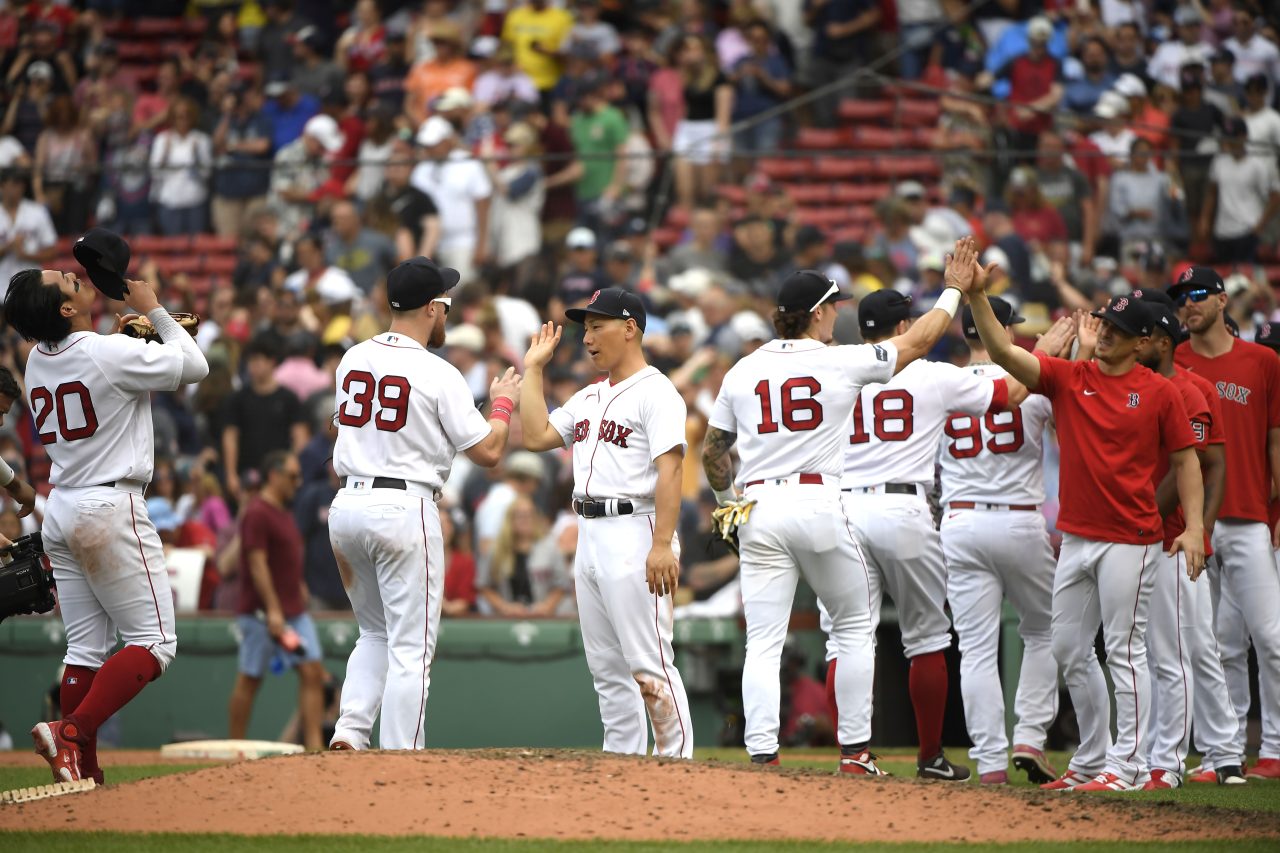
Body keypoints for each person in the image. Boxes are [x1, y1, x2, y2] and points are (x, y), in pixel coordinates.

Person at [699, 238, 981, 772]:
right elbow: (919, 342)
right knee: (853, 627)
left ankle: (762, 752)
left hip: (757, 505)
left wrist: (724, 504)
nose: (837, 316)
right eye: (834, 307)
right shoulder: (840, 362)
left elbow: (714, 449)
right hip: (818, 500)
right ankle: (854, 753)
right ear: (818, 313)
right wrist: (951, 292)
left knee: (763, 640)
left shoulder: (741, 370)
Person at [970, 270, 1205, 791]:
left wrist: (1192, 528)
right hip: (1077, 536)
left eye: (1118, 331)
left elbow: (1187, 462)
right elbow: (1007, 358)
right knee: (1069, 649)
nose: (1105, 334)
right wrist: (976, 296)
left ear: (1143, 342)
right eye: (1104, 326)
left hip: (1131, 538)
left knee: (1124, 651)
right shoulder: (1070, 377)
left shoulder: (1161, 393)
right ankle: (1092, 760)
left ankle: (1129, 765)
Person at [9, 261, 208, 784]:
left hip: (63, 505)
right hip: (109, 507)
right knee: (155, 641)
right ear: (67, 309)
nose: (76, 278)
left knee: (85, 650)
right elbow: (195, 367)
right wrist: (154, 312)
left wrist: (129, 345)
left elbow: (100, 374)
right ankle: (72, 731)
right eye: (67, 284)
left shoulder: (35, 360)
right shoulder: (107, 351)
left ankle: (85, 772)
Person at [837, 288, 1031, 782]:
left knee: (845, 639)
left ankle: (852, 753)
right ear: (905, 328)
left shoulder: (837, 370)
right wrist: (1045, 348)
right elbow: (1009, 393)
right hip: (904, 506)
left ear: (864, 332)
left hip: (844, 509)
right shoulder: (934, 374)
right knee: (925, 637)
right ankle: (929, 757)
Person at [327, 257, 521, 750]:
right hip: (404, 508)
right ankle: (400, 756)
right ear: (433, 308)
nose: (447, 316)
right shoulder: (439, 372)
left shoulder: (352, 357)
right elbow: (490, 451)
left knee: (374, 634)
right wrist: (500, 404)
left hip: (348, 504)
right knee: (411, 649)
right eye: (447, 306)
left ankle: (349, 732)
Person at [520, 289, 693, 758]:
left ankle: (678, 768)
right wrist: (534, 369)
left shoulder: (658, 392)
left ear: (630, 327)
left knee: (649, 664)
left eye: (598, 326)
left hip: (636, 527)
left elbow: (671, 470)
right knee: (607, 670)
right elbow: (536, 436)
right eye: (586, 328)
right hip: (591, 534)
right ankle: (622, 768)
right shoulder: (591, 394)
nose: (588, 338)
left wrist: (660, 545)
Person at [937, 299, 1060, 786]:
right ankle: (1029, 735)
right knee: (1045, 629)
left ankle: (989, 762)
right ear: (999, 329)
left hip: (961, 521)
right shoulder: (1032, 382)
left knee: (976, 650)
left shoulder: (945, 383)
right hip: (1020, 520)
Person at [1127, 288, 1241, 786]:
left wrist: (1200, 529)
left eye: (1142, 335)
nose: (1135, 343)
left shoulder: (1188, 390)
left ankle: (1220, 752)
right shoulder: (1134, 385)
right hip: (1144, 533)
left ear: (1162, 340)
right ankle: (1212, 752)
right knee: (1173, 650)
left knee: (1193, 649)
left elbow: (1200, 466)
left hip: (1171, 535)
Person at [1171, 266, 1280, 781]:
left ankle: (1275, 750)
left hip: (1249, 517)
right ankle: (1226, 752)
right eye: (1180, 298)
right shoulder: (1175, 360)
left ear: (1220, 301)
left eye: (1195, 295)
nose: (1187, 305)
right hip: (1194, 523)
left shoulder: (1263, 361)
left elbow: (1276, 442)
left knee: (1272, 639)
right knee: (1217, 645)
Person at [227, 451, 326, 751]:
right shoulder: (257, 512)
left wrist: (298, 585)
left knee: (312, 671)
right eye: (292, 476)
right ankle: (236, 747)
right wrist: (272, 609)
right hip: (262, 613)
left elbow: (286, 557)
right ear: (274, 475)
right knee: (250, 678)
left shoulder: (283, 511)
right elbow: (257, 564)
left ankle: (314, 745)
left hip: (293, 611)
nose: (298, 482)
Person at [220, 336, 309, 501]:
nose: (253, 366)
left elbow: (300, 436)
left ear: (271, 362)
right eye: (250, 361)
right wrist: (231, 474)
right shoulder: (237, 399)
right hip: (247, 474)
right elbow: (230, 436)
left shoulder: (289, 398)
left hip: (278, 474)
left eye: (258, 361)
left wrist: (292, 470)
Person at [0, 168, 55, 289]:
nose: (18, 189)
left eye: (21, 184)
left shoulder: (37, 212)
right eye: (14, 184)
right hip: (1, 286)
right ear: (2, 185)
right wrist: (8, 246)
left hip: (31, 286)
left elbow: (52, 251)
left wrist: (26, 255)